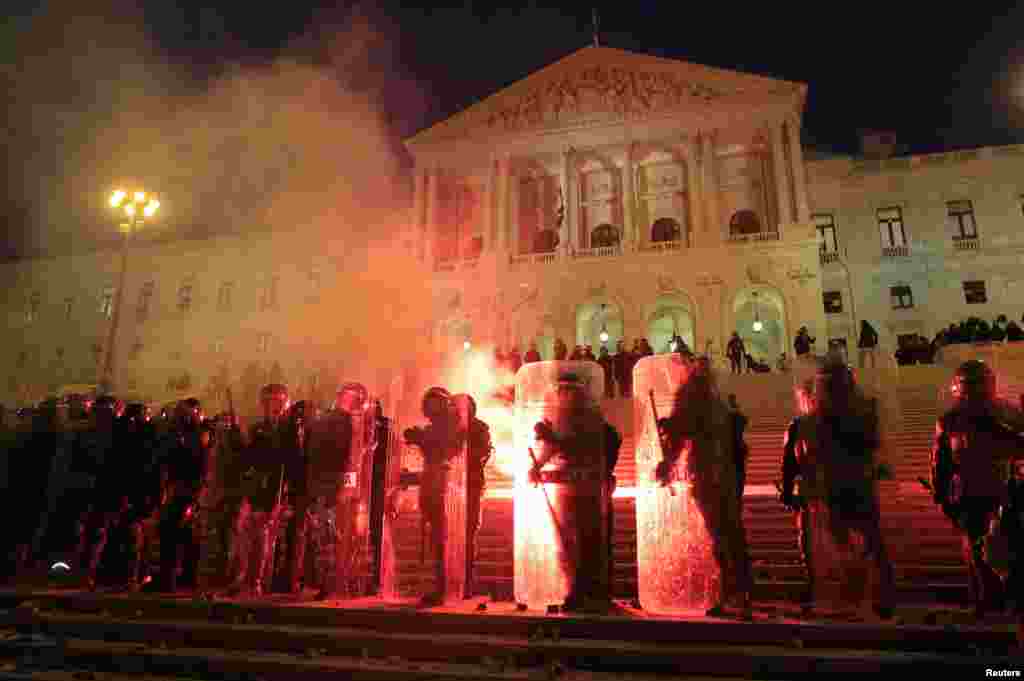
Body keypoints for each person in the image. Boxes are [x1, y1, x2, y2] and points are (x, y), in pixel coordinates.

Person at [657, 357, 752, 619]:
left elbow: (682, 431)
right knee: (731, 532)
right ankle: (740, 594)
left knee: (722, 534)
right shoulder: (715, 396)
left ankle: (734, 594)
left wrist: (668, 459)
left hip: (709, 472)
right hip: (728, 471)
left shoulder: (691, 392)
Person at [931, 360, 1024, 619]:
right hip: (971, 495)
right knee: (975, 551)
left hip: (1003, 494)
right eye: (970, 386)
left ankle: (999, 600)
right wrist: (941, 493)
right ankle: (987, 600)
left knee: (995, 550)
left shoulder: (1006, 414)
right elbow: (941, 463)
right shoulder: (949, 421)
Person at [530, 373, 620, 612]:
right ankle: (578, 590)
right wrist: (537, 466)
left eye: (569, 391)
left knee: (589, 542)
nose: (565, 396)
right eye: (562, 391)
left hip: (589, 491)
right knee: (571, 543)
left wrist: (554, 444)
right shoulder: (563, 422)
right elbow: (554, 447)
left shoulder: (592, 422)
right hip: (569, 491)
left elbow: (589, 446)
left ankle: (593, 592)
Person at [814, 354, 894, 619]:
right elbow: (874, 444)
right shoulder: (863, 407)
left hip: (842, 482)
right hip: (855, 481)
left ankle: (860, 592)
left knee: (850, 540)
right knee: (868, 539)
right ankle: (875, 594)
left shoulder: (824, 413)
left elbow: (821, 450)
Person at [225, 384, 293, 597]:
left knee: (265, 538)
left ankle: (258, 581)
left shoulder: (289, 430)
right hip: (256, 488)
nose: (274, 406)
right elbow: (247, 458)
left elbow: (289, 464)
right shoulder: (258, 429)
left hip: (275, 489)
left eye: (278, 402)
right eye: (270, 401)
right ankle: (243, 578)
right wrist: (237, 438)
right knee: (247, 535)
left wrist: (282, 495)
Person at [148, 398, 213, 594]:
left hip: (188, 491)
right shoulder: (177, 434)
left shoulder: (199, 436)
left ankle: (181, 578)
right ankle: (172, 578)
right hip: (176, 490)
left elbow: (201, 468)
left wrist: (194, 497)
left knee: (181, 536)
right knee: (172, 535)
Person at [403, 387, 461, 606]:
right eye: (429, 404)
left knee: (439, 536)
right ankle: (437, 586)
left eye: (435, 403)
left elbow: (444, 450)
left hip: (441, 482)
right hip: (431, 480)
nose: (431, 408)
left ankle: (441, 587)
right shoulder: (435, 429)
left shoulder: (449, 429)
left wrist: (421, 438)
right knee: (435, 536)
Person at [780, 378, 818, 616]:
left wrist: (786, 490)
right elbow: (788, 463)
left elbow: (788, 464)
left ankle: (815, 584)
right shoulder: (799, 425)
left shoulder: (799, 425)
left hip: (810, 490)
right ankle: (815, 583)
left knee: (809, 540)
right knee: (810, 540)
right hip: (812, 491)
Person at [453, 394, 493, 599]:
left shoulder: (480, 428)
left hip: (472, 484)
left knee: (468, 535)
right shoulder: (451, 426)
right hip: (452, 487)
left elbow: (483, 452)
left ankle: (466, 581)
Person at [727, 395, 749, 511]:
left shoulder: (727, 418)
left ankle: (736, 501)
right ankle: (737, 501)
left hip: (733, 450)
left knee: (737, 478)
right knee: (738, 478)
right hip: (737, 450)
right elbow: (744, 421)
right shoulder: (735, 417)